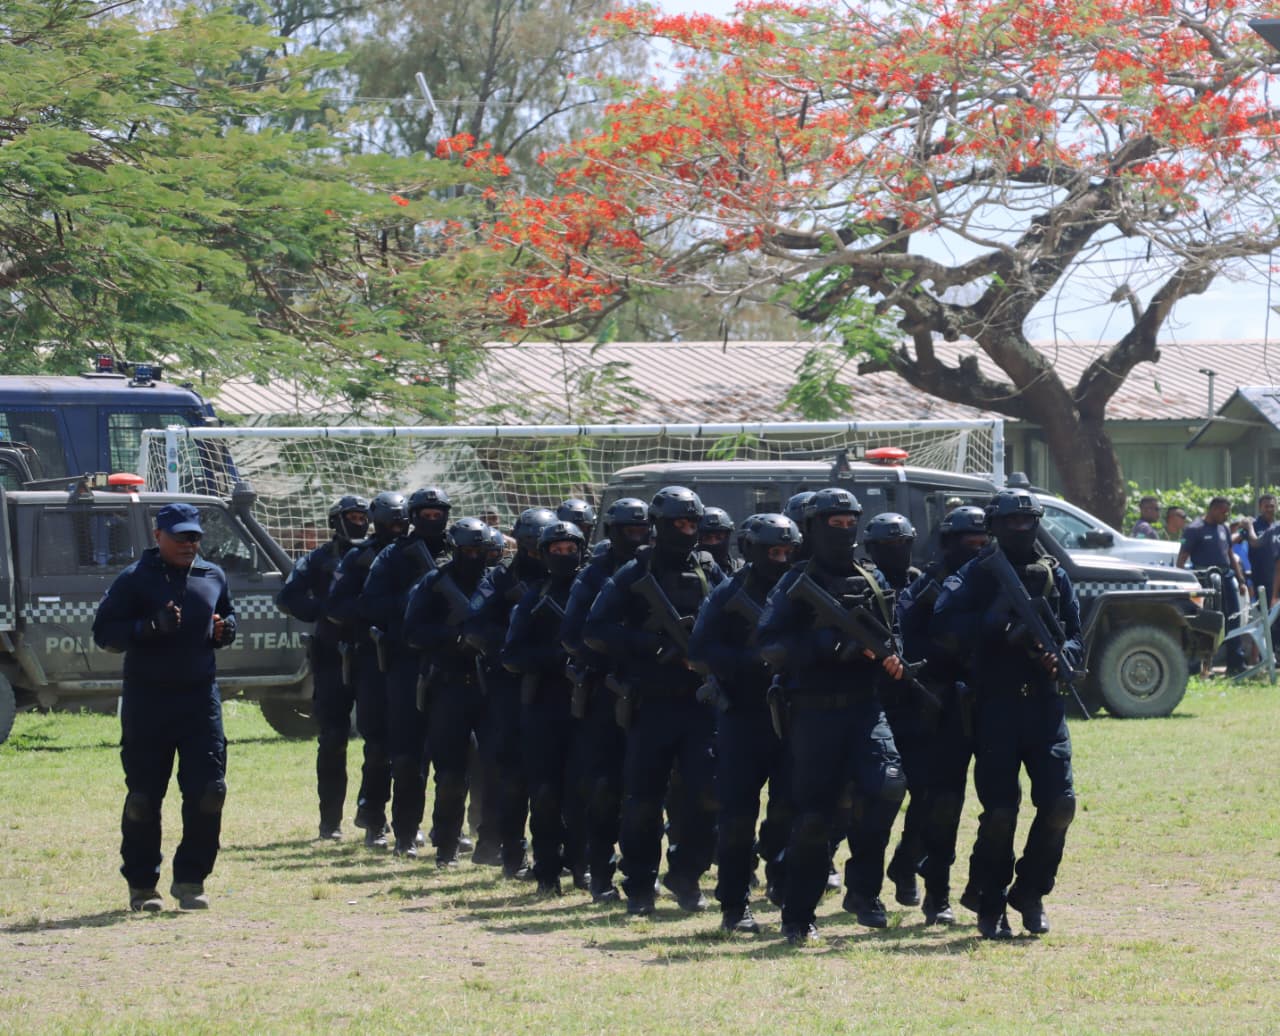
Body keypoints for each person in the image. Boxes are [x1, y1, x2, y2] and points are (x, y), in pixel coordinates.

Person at [757, 488, 908, 944]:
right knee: (815, 818)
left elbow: (892, 630)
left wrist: (893, 656)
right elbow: (769, 645)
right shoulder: (794, 582)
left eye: (849, 523)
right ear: (813, 527)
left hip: (865, 707)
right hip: (814, 714)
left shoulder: (872, 577)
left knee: (887, 786)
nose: (843, 532)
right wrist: (830, 647)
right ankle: (798, 915)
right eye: (834, 524)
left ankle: (863, 891)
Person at [932, 488, 1082, 939]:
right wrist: (996, 626)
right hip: (994, 706)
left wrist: (1063, 655)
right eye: (1011, 522)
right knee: (1000, 812)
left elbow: (1076, 634)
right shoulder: (976, 574)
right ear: (994, 526)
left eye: (1027, 520)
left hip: (1044, 705)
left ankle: (1030, 892)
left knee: (1060, 805)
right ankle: (990, 901)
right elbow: (943, 629)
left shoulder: (1053, 574)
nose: (1020, 528)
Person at [582, 485, 725, 917]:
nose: (687, 531)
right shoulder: (633, 573)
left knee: (706, 795)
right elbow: (595, 630)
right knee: (643, 802)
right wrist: (653, 646)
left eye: (692, 523)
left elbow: (740, 618)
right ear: (659, 526)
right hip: (651, 705)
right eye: (678, 523)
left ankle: (687, 875)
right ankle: (640, 886)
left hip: (700, 705)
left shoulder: (709, 569)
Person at [93, 503, 237, 911]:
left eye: (195, 537)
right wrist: (148, 626)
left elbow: (226, 615)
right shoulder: (133, 580)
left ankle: (191, 880)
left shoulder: (213, 575)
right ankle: (142, 886)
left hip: (199, 701)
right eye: (180, 537)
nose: (189, 544)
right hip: (148, 702)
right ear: (158, 536)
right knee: (143, 798)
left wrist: (225, 629)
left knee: (210, 792)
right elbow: (104, 634)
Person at [688, 512, 800, 934]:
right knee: (736, 818)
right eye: (774, 552)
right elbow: (700, 652)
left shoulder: (800, 587)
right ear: (752, 551)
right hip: (743, 717)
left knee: (790, 810)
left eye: (787, 552)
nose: (781, 560)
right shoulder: (727, 594)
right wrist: (755, 660)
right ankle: (735, 905)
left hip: (794, 715)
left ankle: (783, 880)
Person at [894, 505, 989, 925]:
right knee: (941, 802)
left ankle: (980, 889)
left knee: (999, 805)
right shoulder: (926, 588)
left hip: (995, 702)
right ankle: (937, 893)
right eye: (970, 543)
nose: (978, 550)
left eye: (984, 543)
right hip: (944, 706)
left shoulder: (998, 580)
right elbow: (904, 642)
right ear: (949, 543)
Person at [560, 496, 652, 904]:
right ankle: (600, 873)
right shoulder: (594, 575)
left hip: (654, 693)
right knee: (604, 789)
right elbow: (574, 635)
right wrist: (625, 650)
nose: (637, 537)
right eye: (629, 531)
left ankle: (642, 875)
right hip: (606, 692)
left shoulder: (662, 569)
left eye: (642, 529)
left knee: (648, 793)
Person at [463, 506, 559, 877]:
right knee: (507, 771)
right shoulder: (501, 579)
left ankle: (558, 854)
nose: (537, 553)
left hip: (556, 685)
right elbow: (475, 625)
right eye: (530, 545)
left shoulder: (566, 578)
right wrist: (517, 642)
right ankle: (504, 850)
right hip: (509, 684)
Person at [360, 487, 452, 858]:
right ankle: (405, 834)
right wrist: (416, 594)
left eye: (437, 513)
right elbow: (370, 605)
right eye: (424, 514)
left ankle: (448, 834)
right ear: (413, 517)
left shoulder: (457, 551)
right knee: (406, 755)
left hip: (449, 662)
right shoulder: (394, 555)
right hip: (406, 663)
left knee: (453, 757)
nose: (432, 520)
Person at [275, 494, 369, 841]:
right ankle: (330, 823)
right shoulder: (317, 559)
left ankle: (374, 816)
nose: (359, 523)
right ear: (336, 521)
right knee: (333, 740)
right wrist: (324, 611)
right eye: (352, 517)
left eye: (363, 517)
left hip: (372, 656)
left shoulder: (378, 556)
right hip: (330, 657)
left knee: (380, 741)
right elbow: (287, 598)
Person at [501, 520, 587, 895]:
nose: (564, 556)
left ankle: (584, 867)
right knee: (546, 794)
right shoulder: (534, 597)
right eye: (556, 550)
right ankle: (547, 873)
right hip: (544, 706)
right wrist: (554, 657)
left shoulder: (595, 591)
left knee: (585, 793)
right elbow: (511, 655)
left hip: (589, 706)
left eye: (571, 549)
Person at [403, 518, 493, 867]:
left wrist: (488, 638)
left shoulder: (495, 582)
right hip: (449, 687)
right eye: (467, 550)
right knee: (452, 774)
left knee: (494, 770)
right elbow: (412, 632)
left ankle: (491, 844)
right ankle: (446, 845)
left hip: (490, 687)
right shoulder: (433, 583)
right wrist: (454, 637)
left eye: (479, 551)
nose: (473, 557)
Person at [326, 490, 409, 847]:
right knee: (377, 745)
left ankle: (410, 821)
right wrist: (372, 609)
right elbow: (336, 606)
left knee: (412, 749)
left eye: (401, 522)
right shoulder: (359, 557)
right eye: (390, 523)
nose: (397, 528)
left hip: (411, 658)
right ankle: (373, 815)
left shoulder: (418, 553)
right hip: (373, 659)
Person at [859, 512, 923, 907]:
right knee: (872, 796)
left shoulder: (920, 583)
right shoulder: (861, 582)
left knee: (928, 796)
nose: (897, 551)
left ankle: (906, 866)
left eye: (903, 544)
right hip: (873, 703)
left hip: (916, 703)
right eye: (887, 546)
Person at [1177, 496, 1248, 675]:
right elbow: (1182, 558)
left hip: (1226, 578)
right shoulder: (1194, 529)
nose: (1226, 516)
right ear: (1214, 510)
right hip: (1205, 580)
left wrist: (1240, 580)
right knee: (1205, 622)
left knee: (1233, 619)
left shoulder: (1224, 528)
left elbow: (1230, 554)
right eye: (1224, 512)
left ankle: (1236, 663)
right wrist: (1181, 583)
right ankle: (1199, 667)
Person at [697, 507, 739, 572]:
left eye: (719, 538)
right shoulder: (690, 569)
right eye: (707, 538)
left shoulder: (740, 570)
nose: (713, 542)